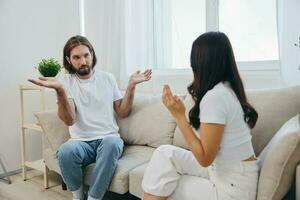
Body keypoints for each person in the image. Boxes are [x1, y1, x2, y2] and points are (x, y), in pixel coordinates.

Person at [29, 35, 152, 200]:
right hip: (81, 143)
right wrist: (60, 90)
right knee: (65, 151)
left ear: (92, 54)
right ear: (69, 59)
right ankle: (78, 195)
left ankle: (94, 197)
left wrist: (131, 86)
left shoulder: (107, 78)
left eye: (86, 55)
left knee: (113, 142)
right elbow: (69, 120)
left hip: (108, 139)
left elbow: (122, 112)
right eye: (77, 57)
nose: (83, 61)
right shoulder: (65, 82)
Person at [142, 32, 259, 200]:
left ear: (200, 62)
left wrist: (179, 117)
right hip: (232, 173)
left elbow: (205, 158)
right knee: (164, 153)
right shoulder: (227, 89)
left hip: (232, 189)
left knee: (160, 184)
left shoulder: (215, 97)